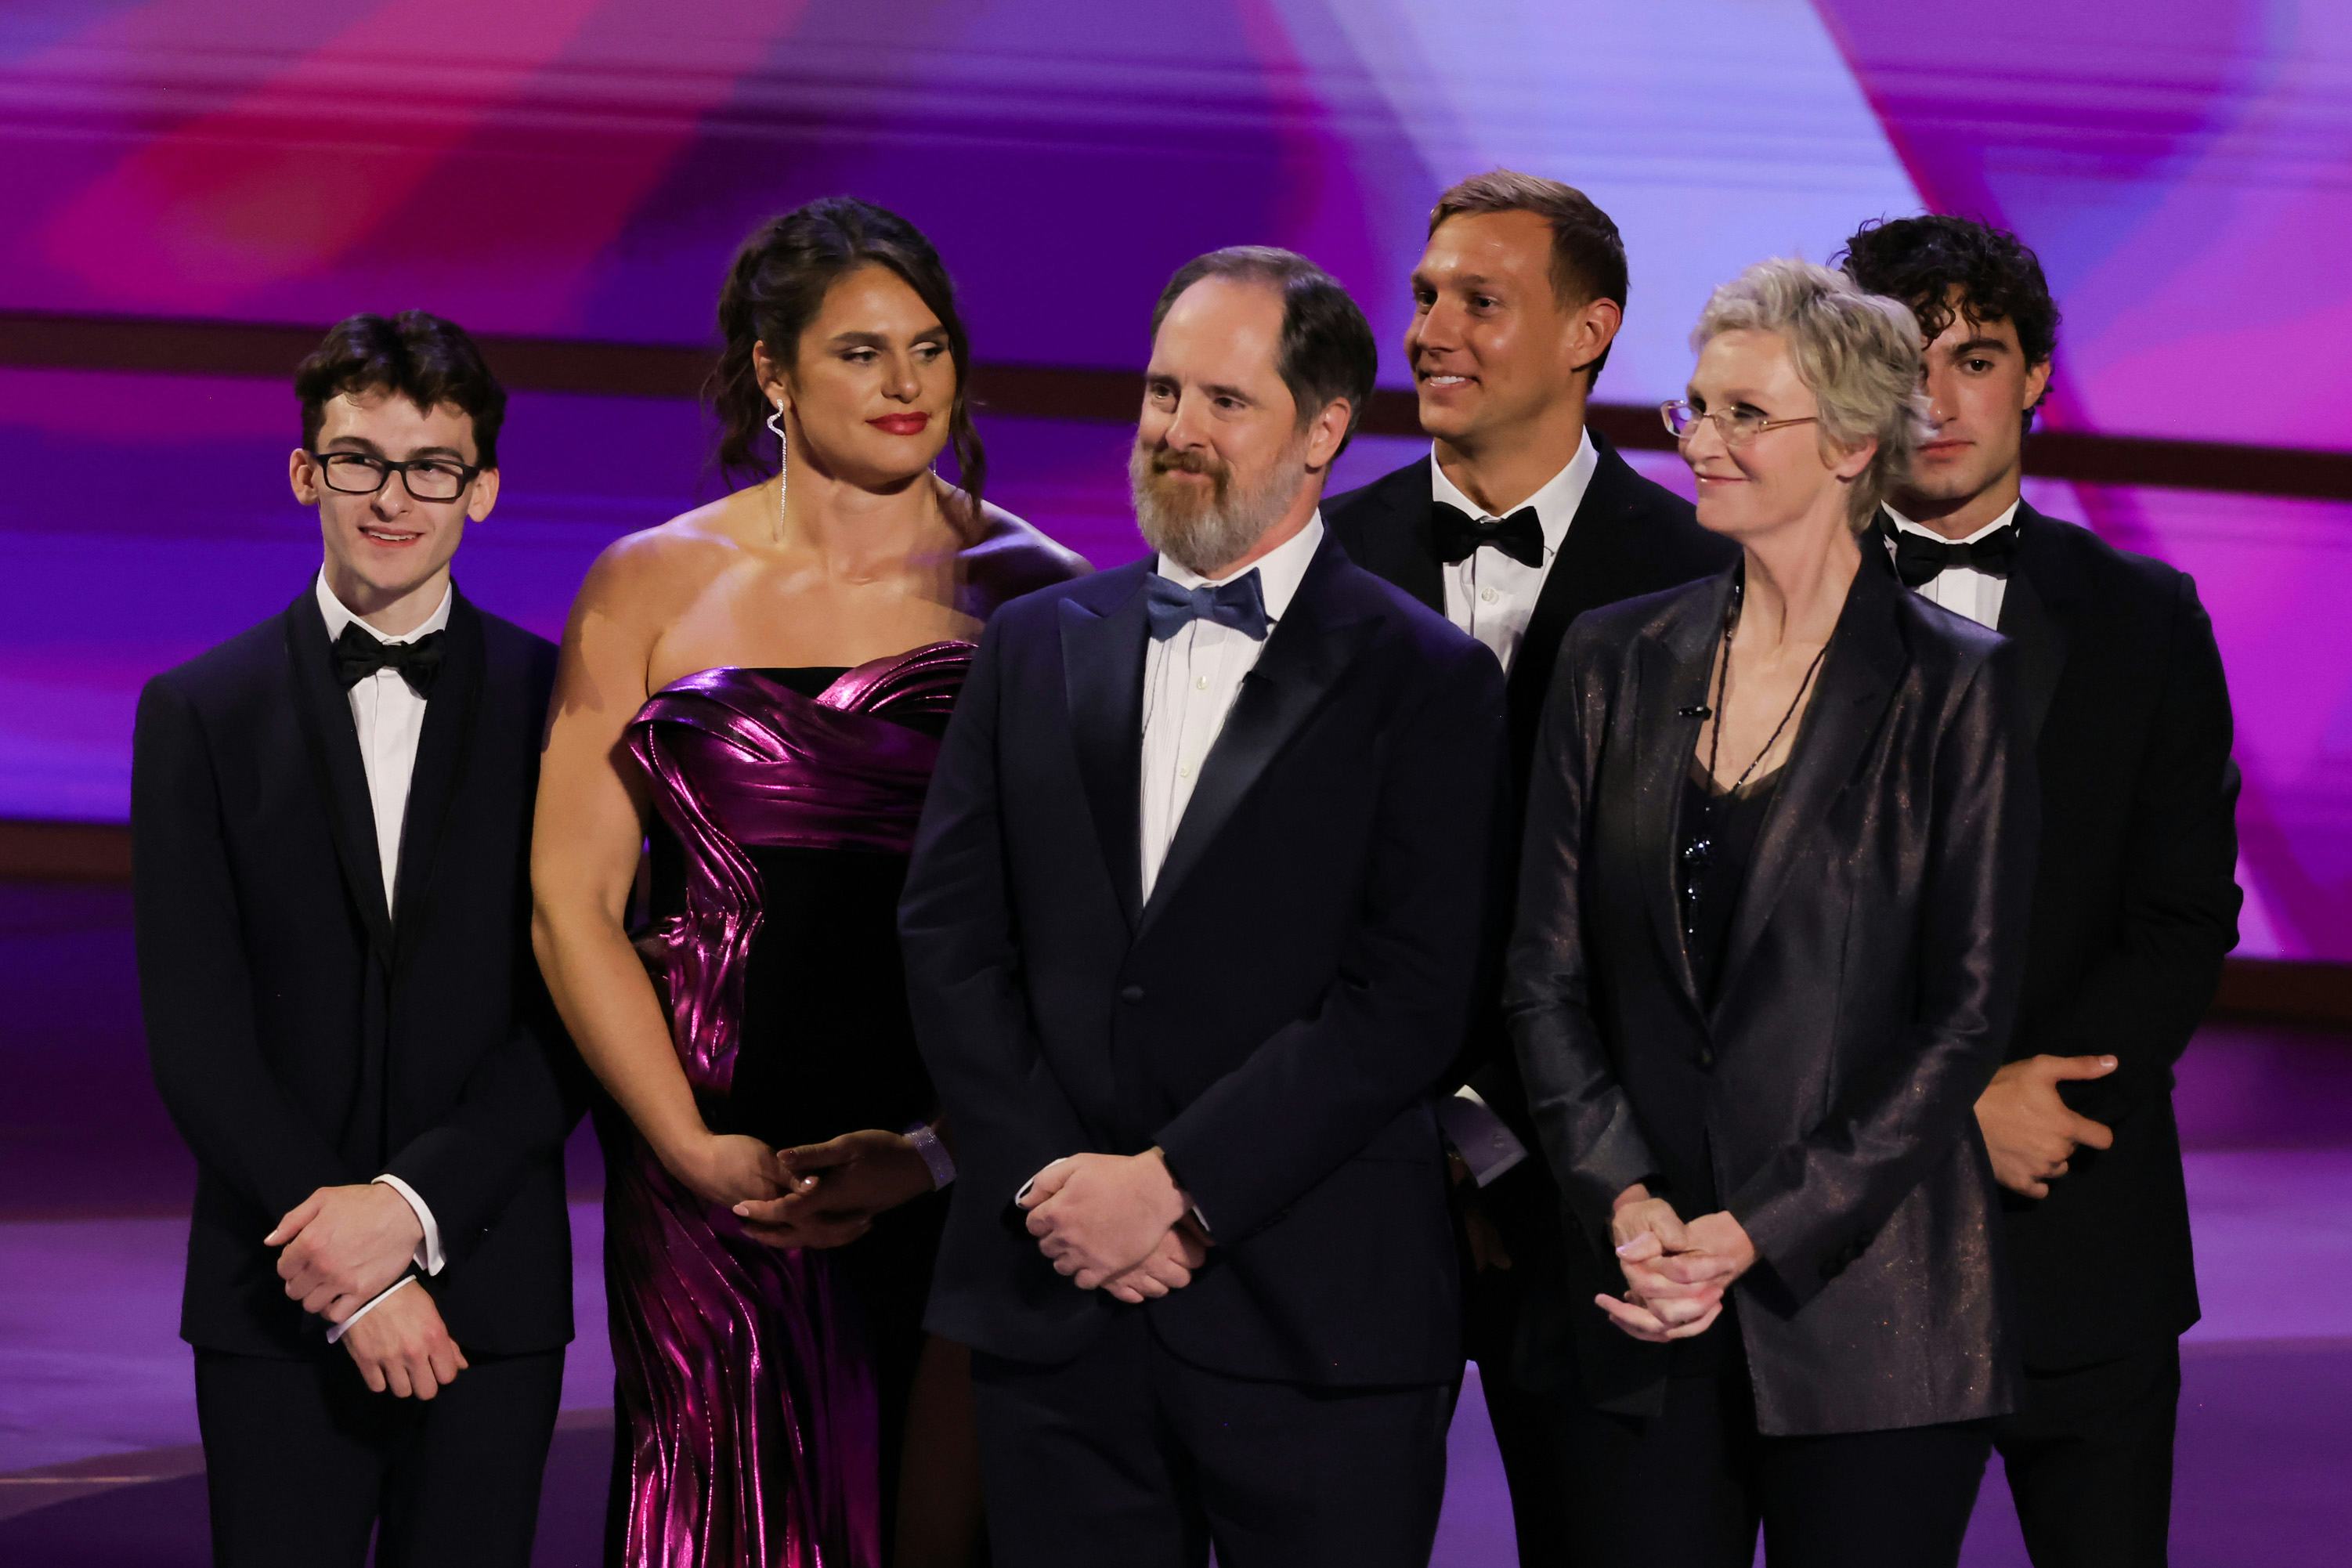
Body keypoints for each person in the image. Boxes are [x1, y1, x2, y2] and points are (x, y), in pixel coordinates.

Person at [898, 246, 1508, 1568]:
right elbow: (949, 940)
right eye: (1163, 391)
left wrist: (1177, 1188)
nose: (1178, 430)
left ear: (1325, 428)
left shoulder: (1430, 677)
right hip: (1053, 1302)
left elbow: (1408, 1000)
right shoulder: (1033, 642)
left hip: (1312, 1320)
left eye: (1225, 401)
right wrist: (1061, 1189)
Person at [529, 197, 1084, 1568]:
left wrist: (944, 1144)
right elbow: (570, 902)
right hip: (709, 1163)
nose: (907, 386)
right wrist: (684, 1145)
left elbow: (1075, 929)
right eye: (859, 352)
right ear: (771, 371)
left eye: (930, 347)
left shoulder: (1043, 596)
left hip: (950, 1159)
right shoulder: (649, 582)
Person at [1504, 258, 2039, 1566]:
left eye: (1747, 414)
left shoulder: (1957, 687)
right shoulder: (1612, 658)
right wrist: (1628, 1200)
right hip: (1641, 1296)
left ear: (1852, 441)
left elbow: (1964, 1020)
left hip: (1871, 1314)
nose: (1702, 440)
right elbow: (1544, 976)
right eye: (1695, 407)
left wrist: (1756, 1230)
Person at [1324, 168, 1732, 1562]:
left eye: (1480, 302)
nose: (1432, 328)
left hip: (1601, 1198)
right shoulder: (1321, 560)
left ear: (1588, 330)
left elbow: (1696, 914)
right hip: (1360, 1178)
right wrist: (1428, 1118)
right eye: (1426, 296)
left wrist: (1524, 1137)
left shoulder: (1700, 572)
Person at [132, 312, 580, 1568]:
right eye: (358, 459)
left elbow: (578, 1012)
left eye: (432, 464)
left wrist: (415, 1212)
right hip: (274, 1295)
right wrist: (356, 1270)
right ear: (304, 470)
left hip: (488, 1288)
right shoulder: (196, 713)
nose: (394, 496)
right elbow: (196, 1035)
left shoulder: (564, 709)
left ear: (482, 487)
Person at [1840, 214, 2241, 1567]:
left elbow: (2185, 918)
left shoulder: (2150, 618)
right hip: (1847, 1259)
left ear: (2036, 378)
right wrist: (1950, 1117)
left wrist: (2045, 1104)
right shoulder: (1756, 611)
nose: (1936, 399)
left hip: (2086, 1236)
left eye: (1975, 356)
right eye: (1901, 360)